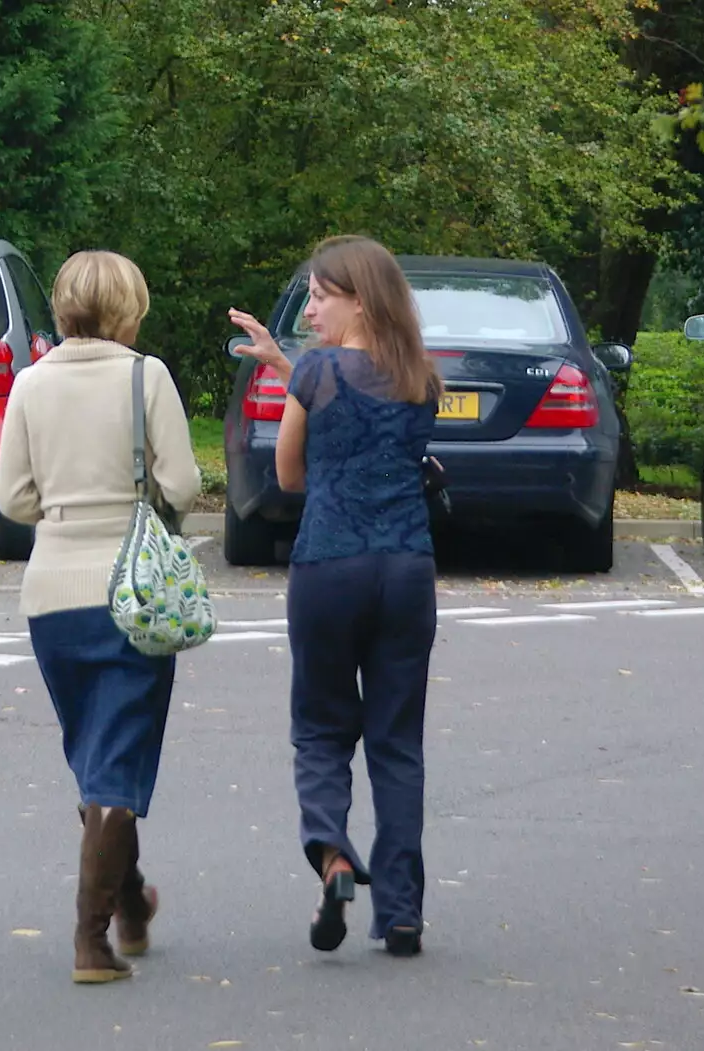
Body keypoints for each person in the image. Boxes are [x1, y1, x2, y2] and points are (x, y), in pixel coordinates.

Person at [229, 234, 441, 958]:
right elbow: (367, 404)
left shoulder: (317, 372)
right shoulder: (421, 375)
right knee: (396, 740)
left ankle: (334, 855)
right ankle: (403, 910)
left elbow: (290, 472)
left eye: (321, 295)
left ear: (359, 297)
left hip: (329, 564)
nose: (310, 307)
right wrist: (285, 366)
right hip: (407, 567)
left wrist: (292, 379)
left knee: (321, 726)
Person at [0, 250, 202, 984]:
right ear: (129, 307)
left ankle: (132, 906)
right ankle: (90, 940)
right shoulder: (147, 377)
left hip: (51, 595)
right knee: (115, 760)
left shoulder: (29, 383)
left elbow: (13, 499)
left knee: (96, 755)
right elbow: (181, 480)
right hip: (131, 591)